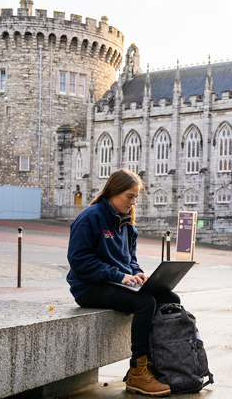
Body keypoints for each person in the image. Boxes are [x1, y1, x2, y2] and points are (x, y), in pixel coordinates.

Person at [67, 168, 176, 397]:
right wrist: (119, 276)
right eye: (130, 196)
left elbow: (131, 261)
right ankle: (138, 371)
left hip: (115, 283)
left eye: (136, 197)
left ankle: (158, 363)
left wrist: (139, 274)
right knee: (145, 302)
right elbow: (79, 261)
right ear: (113, 192)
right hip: (88, 287)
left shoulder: (128, 225)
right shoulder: (90, 217)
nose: (133, 202)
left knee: (170, 298)